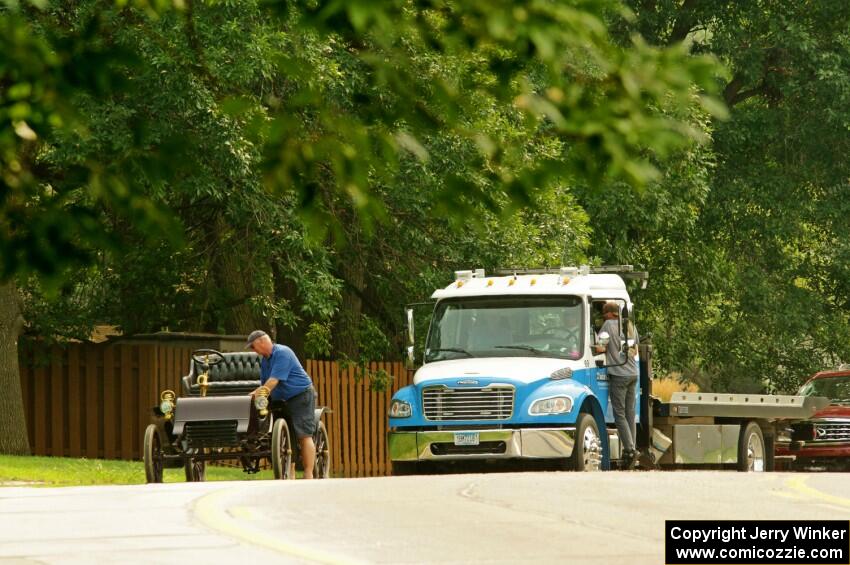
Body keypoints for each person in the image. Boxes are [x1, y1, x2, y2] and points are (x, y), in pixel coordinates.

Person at [246, 330, 317, 479]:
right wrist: (254, 396)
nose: (253, 351)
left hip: (300, 395)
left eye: (253, 347)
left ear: (262, 342)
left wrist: (255, 394)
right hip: (281, 399)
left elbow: (273, 381)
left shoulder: (282, 353)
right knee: (286, 436)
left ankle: (309, 473)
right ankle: (289, 474)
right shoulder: (266, 360)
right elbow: (264, 384)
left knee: (303, 435)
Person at [593, 301, 639, 469]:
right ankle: (632, 447)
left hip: (619, 374)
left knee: (619, 414)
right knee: (630, 414)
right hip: (633, 372)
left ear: (610, 314)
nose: (603, 317)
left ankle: (630, 450)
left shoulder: (607, 325)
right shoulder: (630, 325)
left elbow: (599, 348)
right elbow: (636, 349)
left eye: (604, 314)